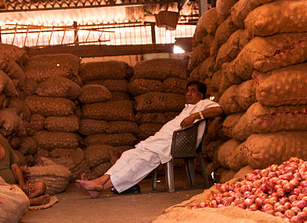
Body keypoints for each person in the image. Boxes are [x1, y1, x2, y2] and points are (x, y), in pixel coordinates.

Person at [76, 81, 222, 198]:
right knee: (129, 155)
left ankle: (102, 186)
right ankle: (101, 181)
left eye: (193, 91)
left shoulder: (203, 104)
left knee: (143, 160)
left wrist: (195, 116)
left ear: (201, 94)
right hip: (159, 140)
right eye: (187, 91)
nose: (189, 94)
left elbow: (218, 110)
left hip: (175, 143)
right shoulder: (186, 108)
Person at [0, 116, 50, 206]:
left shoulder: (4, 144)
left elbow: (15, 168)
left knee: (41, 186)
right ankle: (30, 202)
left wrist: (22, 184)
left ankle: (20, 200)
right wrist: (11, 187)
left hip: (14, 188)